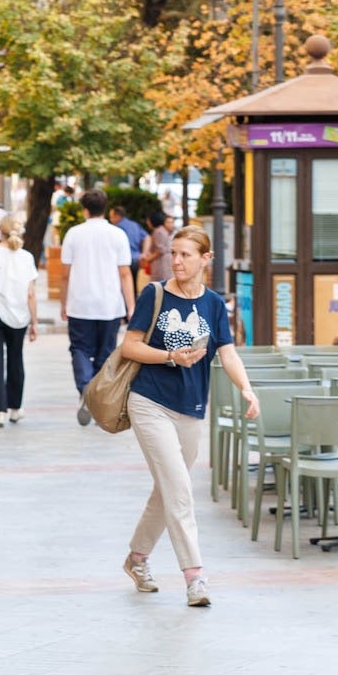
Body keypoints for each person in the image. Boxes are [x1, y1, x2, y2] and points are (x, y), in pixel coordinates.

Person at [118, 226, 258, 607]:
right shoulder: (155, 295)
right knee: (179, 489)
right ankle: (195, 577)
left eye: (186, 255)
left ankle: (137, 558)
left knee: (167, 489)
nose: (177, 261)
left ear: (206, 259)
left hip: (192, 407)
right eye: (174, 254)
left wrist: (246, 388)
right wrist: (170, 356)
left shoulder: (214, 304)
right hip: (149, 401)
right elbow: (130, 346)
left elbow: (227, 352)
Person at [61, 189, 135, 427]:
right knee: (105, 354)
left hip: (79, 304)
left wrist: (63, 302)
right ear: (106, 209)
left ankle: (85, 388)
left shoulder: (73, 234)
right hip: (110, 305)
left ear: (84, 210)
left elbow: (65, 274)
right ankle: (95, 397)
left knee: (80, 349)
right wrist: (131, 306)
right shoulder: (117, 234)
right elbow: (125, 273)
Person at [0, 215, 40, 427]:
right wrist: (34, 322)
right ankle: (16, 408)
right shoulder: (27, 257)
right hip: (19, 315)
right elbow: (31, 293)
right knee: (16, 358)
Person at [109, 205, 148, 286]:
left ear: (117, 216)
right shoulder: (134, 224)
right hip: (137, 259)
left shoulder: (117, 228)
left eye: (111, 217)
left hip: (124, 261)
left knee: (124, 285)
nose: (110, 219)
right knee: (134, 285)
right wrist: (144, 253)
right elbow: (147, 237)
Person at [143, 208, 174, 286]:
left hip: (161, 264)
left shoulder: (158, 231)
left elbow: (160, 251)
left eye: (148, 220)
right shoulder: (162, 230)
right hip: (164, 263)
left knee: (160, 286)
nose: (147, 222)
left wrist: (148, 258)